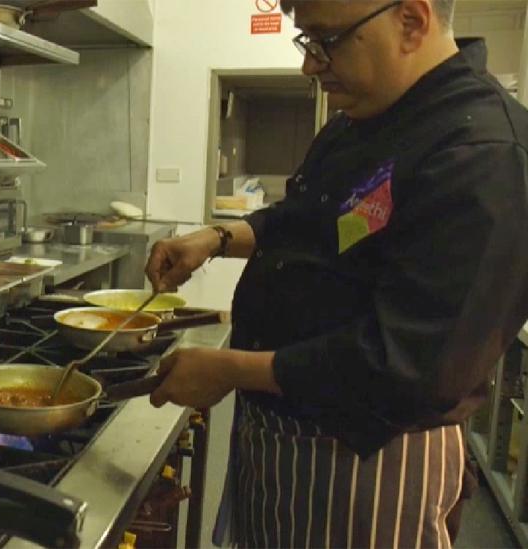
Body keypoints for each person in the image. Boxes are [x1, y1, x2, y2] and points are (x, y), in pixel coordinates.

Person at [145, 0, 528, 546]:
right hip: (282, 435)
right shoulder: (364, 120)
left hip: (370, 465)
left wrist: (229, 369)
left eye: (326, 40)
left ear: (412, 21)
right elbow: (306, 220)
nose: (310, 65)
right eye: (307, 41)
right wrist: (217, 239)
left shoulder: (484, 153)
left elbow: (410, 366)